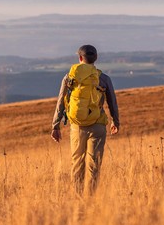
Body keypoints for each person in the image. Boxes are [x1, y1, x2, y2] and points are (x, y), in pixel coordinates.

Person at [51, 44, 120, 195]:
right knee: (94, 164)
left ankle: (78, 198)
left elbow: (61, 101)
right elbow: (112, 102)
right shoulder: (103, 78)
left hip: (77, 126)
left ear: (80, 58)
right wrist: (115, 121)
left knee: (77, 162)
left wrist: (55, 126)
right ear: (95, 58)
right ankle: (91, 198)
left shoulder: (70, 77)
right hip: (98, 125)